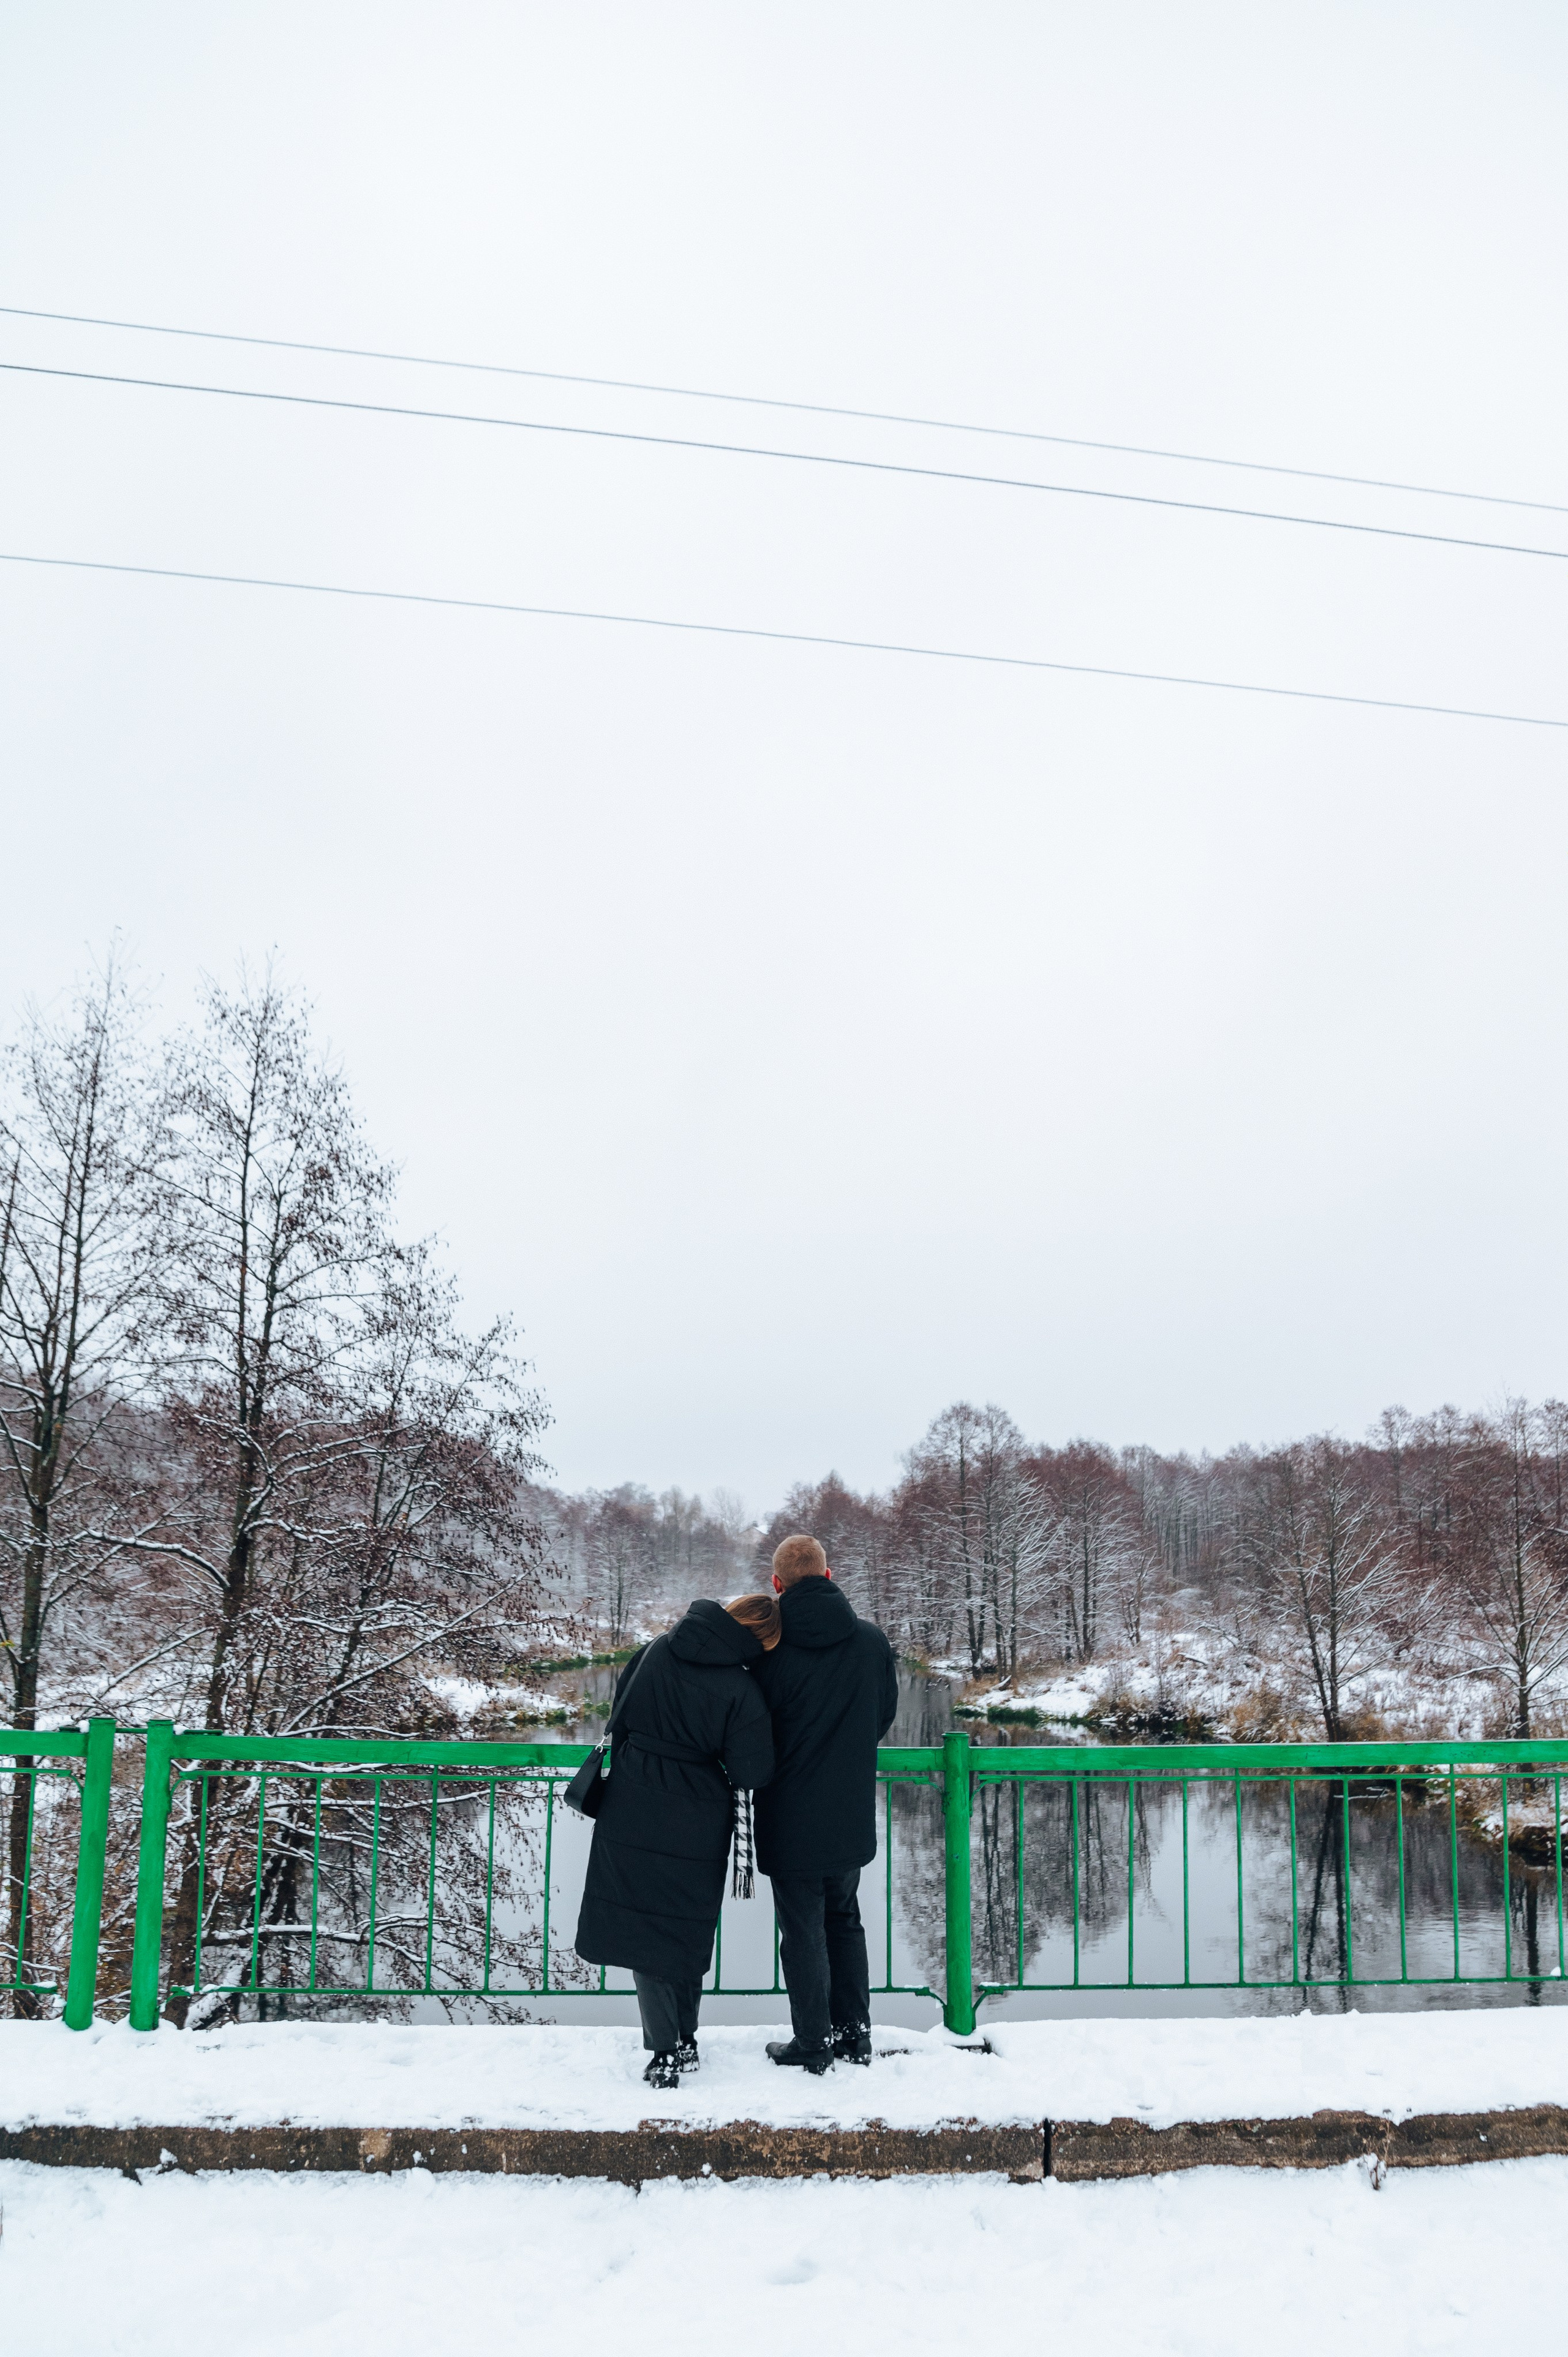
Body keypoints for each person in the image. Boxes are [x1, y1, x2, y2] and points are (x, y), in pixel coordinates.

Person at [573, 1593, 778, 2089]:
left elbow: (620, 1715)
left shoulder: (654, 1651)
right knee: (683, 1927)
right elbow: (754, 1770)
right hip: (697, 1816)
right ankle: (678, 2043)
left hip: (631, 1802)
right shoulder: (740, 1688)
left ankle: (672, 2044)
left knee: (643, 1929)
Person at [752, 1533, 899, 2073]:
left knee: (803, 1930)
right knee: (845, 1920)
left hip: (787, 1814)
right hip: (849, 1808)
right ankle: (855, 2037)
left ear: (777, 1584)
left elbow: (753, 1732)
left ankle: (812, 2043)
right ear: (830, 1576)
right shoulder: (871, 1642)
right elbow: (881, 1718)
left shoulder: (766, 1650)